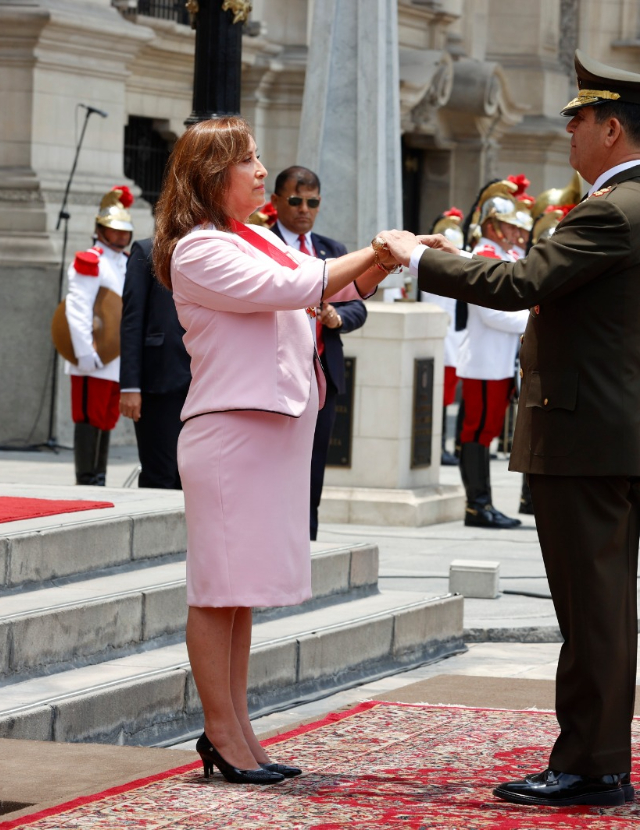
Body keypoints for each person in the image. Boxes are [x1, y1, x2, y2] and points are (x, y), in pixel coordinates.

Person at [378, 49, 640, 808]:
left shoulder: (615, 207)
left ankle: (590, 764)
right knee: (596, 610)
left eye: (578, 120)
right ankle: (595, 756)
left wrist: (423, 256)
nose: (569, 132)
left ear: (611, 129)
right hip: (597, 434)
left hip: (588, 438)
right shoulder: (637, 203)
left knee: (592, 613)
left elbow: (520, 283)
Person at [150, 116, 389, 785]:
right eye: (249, 161)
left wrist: (387, 258)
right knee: (217, 588)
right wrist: (377, 247)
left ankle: (240, 729)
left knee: (242, 591)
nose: (262, 172)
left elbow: (335, 284)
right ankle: (221, 733)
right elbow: (299, 288)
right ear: (210, 176)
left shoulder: (252, 236)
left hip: (273, 429)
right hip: (232, 432)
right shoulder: (199, 249)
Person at [268, 165, 369, 541]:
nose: (304, 209)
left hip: (322, 374)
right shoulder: (264, 245)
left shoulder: (332, 251)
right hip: (277, 372)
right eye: (295, 200)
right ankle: (274, 535)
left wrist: (336, 316)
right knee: (276, 460)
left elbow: (359, 306)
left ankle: (306, 537)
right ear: (275, 201)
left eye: (312, 202)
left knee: (314, 461)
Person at [457, 181, 530, 529]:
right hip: (484, 361)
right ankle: (477, 505)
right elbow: (492, 313)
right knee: (478, 432)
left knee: (485, 432)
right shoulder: (483, 257)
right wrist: (534, 319)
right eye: (510, 225)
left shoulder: (505, 257)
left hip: (500, 361)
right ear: (491, 226)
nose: (517, 232)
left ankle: (483, 503)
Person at [64, 185, 133, 485]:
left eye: (124, 231)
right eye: (113, 230)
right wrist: (84, 352)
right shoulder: (90, 261)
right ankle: (86, 476)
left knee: (106, 416)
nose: (120, 236)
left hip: (115, 354)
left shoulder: (125, 261)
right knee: (88, 416)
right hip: (91, 352)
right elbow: (78, 307)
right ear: (99, 229)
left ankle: (100, 476)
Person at [120, 235, 191, 488]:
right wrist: (130, 385)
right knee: (160, 474)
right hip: (160, 377)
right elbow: (132, 320)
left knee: (195, 476)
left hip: (206, 378)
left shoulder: (220, 246)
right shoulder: (148, 250)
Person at [419, 208, 467, 466]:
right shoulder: (435, 270)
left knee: (446, 397)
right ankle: (436, 447)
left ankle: (442, 445)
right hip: (443, 339)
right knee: (439, 397)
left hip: (454, 339)